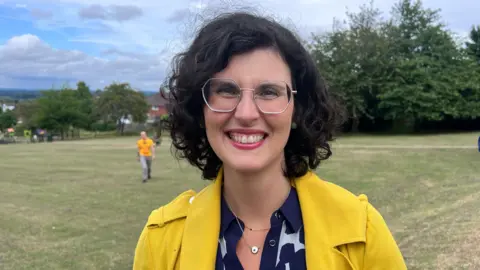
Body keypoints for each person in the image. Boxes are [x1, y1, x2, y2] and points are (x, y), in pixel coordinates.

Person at [133, 11, 407, 270]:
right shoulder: (161, 238)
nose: (246, 113)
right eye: (227, 90)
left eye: (268, 92)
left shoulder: (363, 230)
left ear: (297, 109)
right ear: (200, 109)